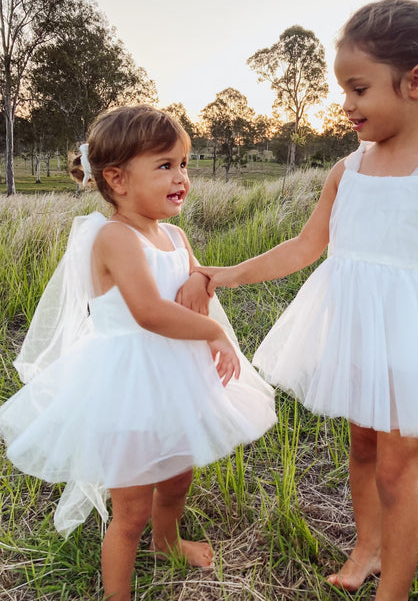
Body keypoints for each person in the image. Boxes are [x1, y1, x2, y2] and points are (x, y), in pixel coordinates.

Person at [195, 0, 418, 601]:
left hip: (414, 341)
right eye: (342, 89)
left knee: (399, 474)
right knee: (361, 450)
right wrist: (229, 273)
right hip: (356, 332)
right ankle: (368, 545)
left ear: (416, 82)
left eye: (357, 88)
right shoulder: (346, 170)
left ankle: (393, 590)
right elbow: (306, 245)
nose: (345, 103)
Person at [0, 105, 277, 601]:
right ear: (117, 179)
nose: (182, 177)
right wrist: (212, 334)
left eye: (184, 164)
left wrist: (197, 276)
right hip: (127, 383)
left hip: (174, 376)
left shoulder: (174, 235)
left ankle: (166, 541)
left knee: (176, 477)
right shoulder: (114, 238)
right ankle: (118, 593)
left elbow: (195, 277)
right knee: (130, 509)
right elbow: (149, 311)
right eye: (165, 165)